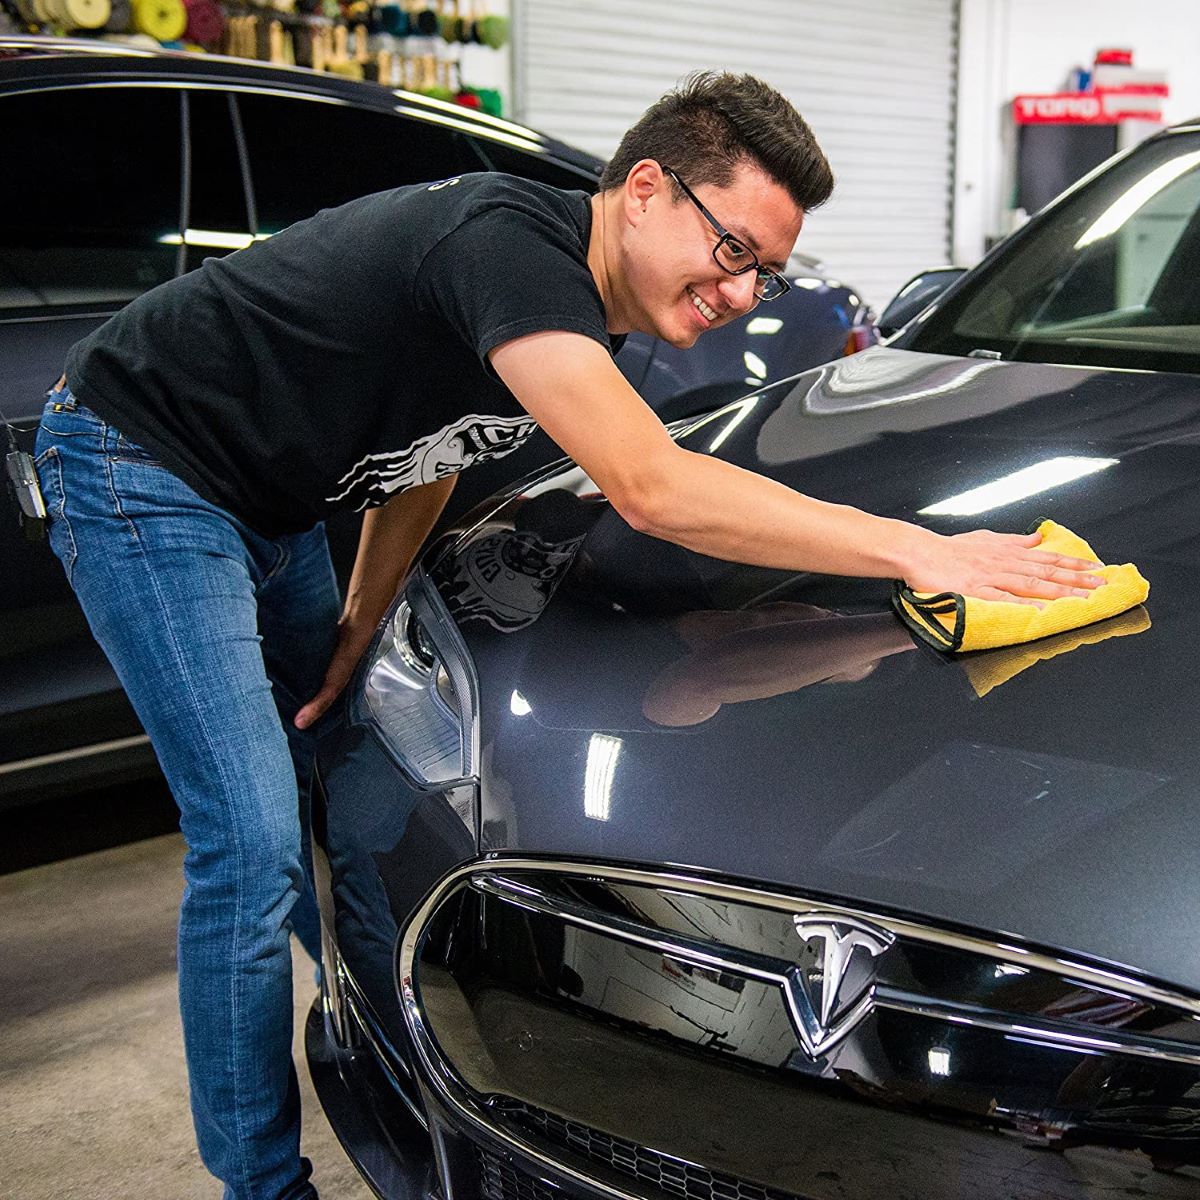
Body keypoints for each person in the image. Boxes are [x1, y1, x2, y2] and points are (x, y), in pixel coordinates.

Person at [33, 69, 1106, 1199]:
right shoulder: (505, 245)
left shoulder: (585, 310)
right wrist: (917, 549)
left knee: (344, 773)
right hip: (138, 467)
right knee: (248, 845)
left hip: (277, 507)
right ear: (645, 190)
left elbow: (429, 453)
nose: (745, 295)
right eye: (734, 251)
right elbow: (650, 484)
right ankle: (263, 1185)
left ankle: (372, 1039)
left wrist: (359, 619)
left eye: (768, 271)